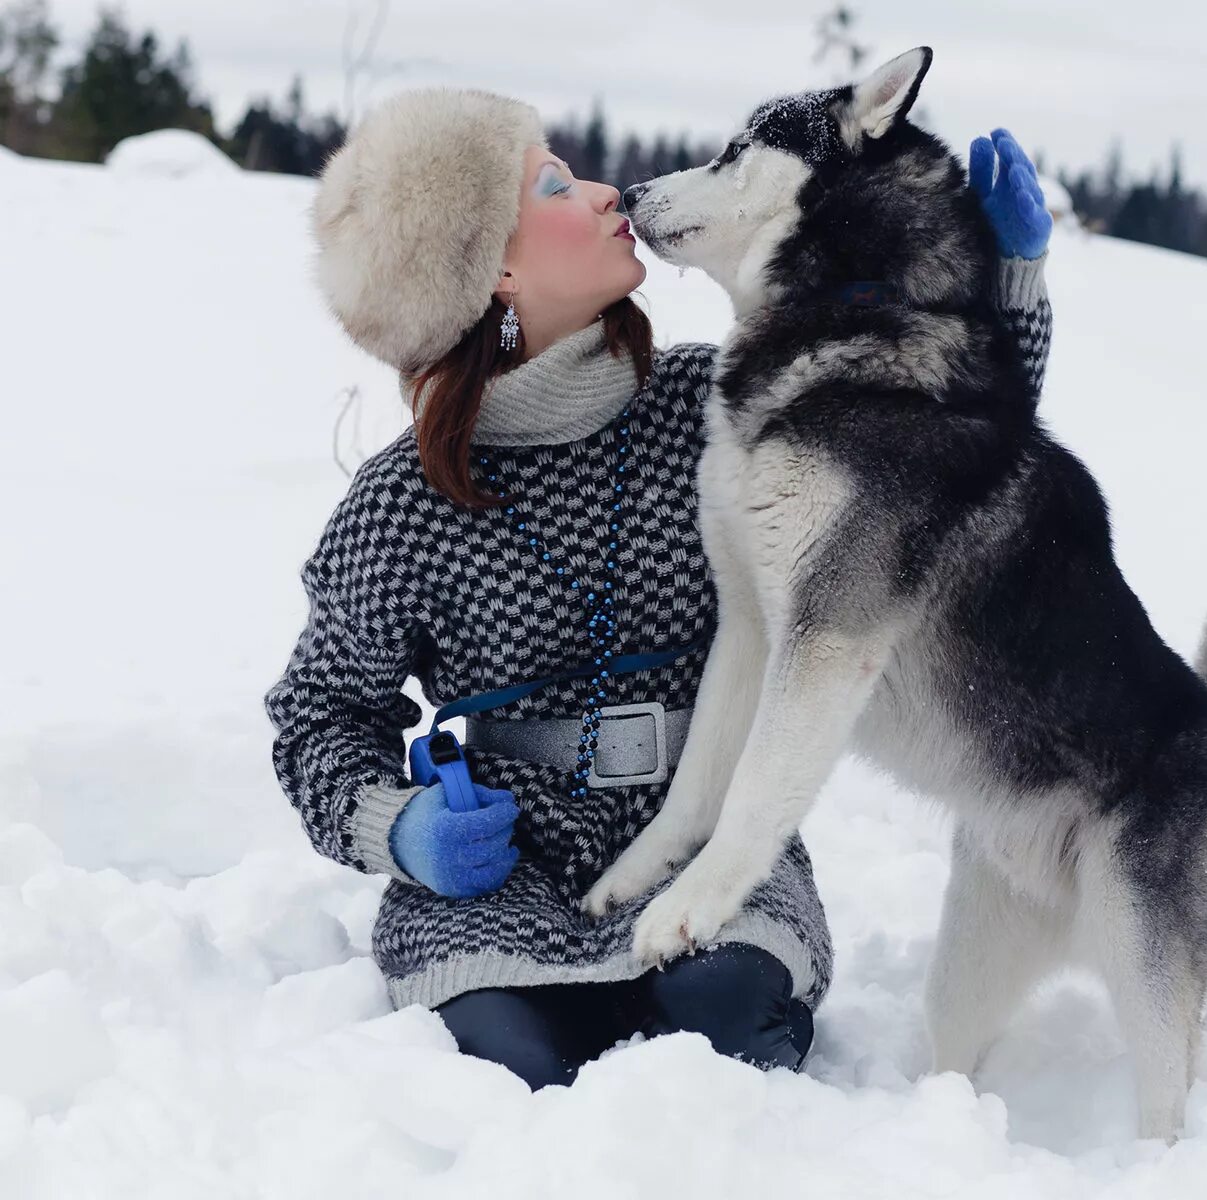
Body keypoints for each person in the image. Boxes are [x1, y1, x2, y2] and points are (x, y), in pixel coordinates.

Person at [262, 85, 1055, 1090]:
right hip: (505, 879)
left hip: (707, 849)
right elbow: (318, 716)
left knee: (722, 1034)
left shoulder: (717, 400)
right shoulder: (402, 506)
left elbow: (944, 451)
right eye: (553, 184)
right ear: (491, 270)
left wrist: (1012, 282)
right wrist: (399, 826)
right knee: (508, 1075)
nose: (603, 193)